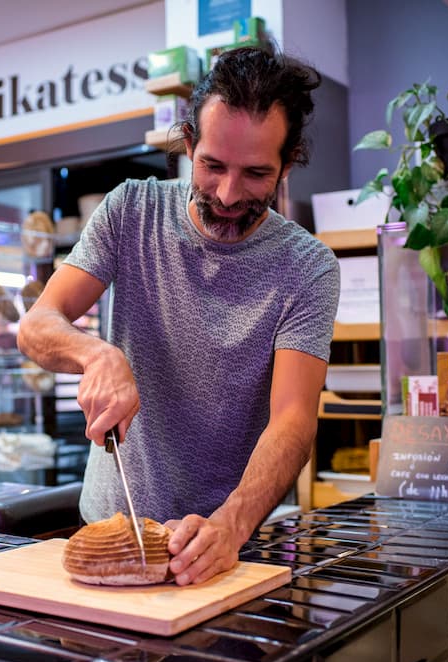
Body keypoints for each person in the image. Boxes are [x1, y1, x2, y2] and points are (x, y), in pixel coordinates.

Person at [17, 45, 340, 585]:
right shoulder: (130, 211)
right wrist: (97, 355)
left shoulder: (307, 267)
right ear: (189, 143)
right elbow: (38, 324)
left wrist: (231, 525)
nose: (229, 193)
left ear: (287, 166)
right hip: (111, 534)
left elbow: (293, 419)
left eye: (256, 173)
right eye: (211, 165)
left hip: (232, 546)